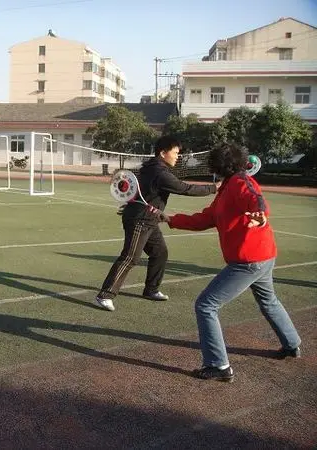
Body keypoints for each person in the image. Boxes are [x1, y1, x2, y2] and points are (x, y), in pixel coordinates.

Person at [162, 143, 301, 382]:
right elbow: (206, 218)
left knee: (206, 305)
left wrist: (260, 216)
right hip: (261, 257)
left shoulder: (240, 182)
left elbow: (257, 201)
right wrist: (171, 219)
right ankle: (292, 344)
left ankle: (219, 366)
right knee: (268, 301)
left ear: (219, 166)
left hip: (249, 261)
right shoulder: (227, 188)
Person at [96, 136, 218, 312]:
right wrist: (214, 188)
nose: (178, 156)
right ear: (163, 153)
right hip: (140, 219)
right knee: (131, 257)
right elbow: (185, 188)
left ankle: (151, 290)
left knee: (160, 253)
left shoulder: (151, 168)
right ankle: (105, 295)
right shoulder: (160, 173)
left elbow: (140, 189)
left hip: (148, 219)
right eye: (175, 153)